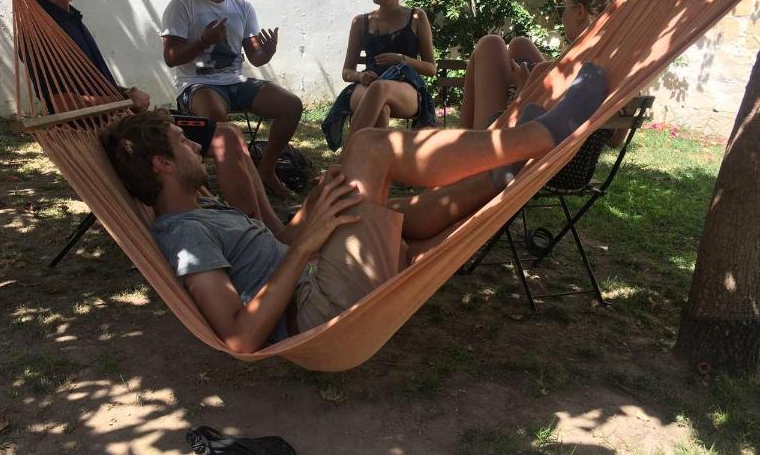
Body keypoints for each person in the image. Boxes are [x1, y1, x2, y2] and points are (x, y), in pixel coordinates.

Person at [101, 62, 608, 353]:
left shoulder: (203, 210)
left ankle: (502, 174)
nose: (196, 147)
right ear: (162, 165)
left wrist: (312, 212)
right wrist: (309, 246)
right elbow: (238, 337)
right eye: (183, 144)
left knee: (383, 204)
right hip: (314, 311)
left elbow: (273, 251)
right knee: (367, 146)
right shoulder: (185, 235)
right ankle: (537, 137)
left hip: (315, 282)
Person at [15, 0, 284, 232]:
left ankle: (269, 229)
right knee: (225, 138)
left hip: (119, 121)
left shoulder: (64, 17)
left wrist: (124, 92)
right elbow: (61, 103)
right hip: (114, 136)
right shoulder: (43, 27)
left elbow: (85, 84)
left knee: (231, 133)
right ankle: (261, 234)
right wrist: (124, 99)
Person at [161, 0, 303, 197]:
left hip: (236, 82)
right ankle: (235, 183)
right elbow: (171, 57)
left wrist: (267, 51)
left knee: (291, 105)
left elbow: (255, 57)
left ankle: (266, 170)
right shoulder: (182, 5)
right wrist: (203, 42)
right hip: (197, 84)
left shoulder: (243, 7)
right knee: (217, 118)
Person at [459, 0, 625, 133]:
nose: (561, 16)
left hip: (511, 143)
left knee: (490, 44)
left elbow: (519, 124)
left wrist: (523, 87)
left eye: (562, 8)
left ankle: (463, 141)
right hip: (580, 147)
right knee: (520, 44)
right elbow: (615, 141)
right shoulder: (623, 74)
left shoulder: (548, 71)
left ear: (580, 12)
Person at [322, 0, 437, 151]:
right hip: (367, 84)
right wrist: (360, 76)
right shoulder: (360, 22)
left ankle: (347, 159)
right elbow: (346, 72)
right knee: (380, 108)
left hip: (405, 85)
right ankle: (378, 164)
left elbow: (431, 68)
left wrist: (401, 59)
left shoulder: (416, 17)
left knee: (380, 88)